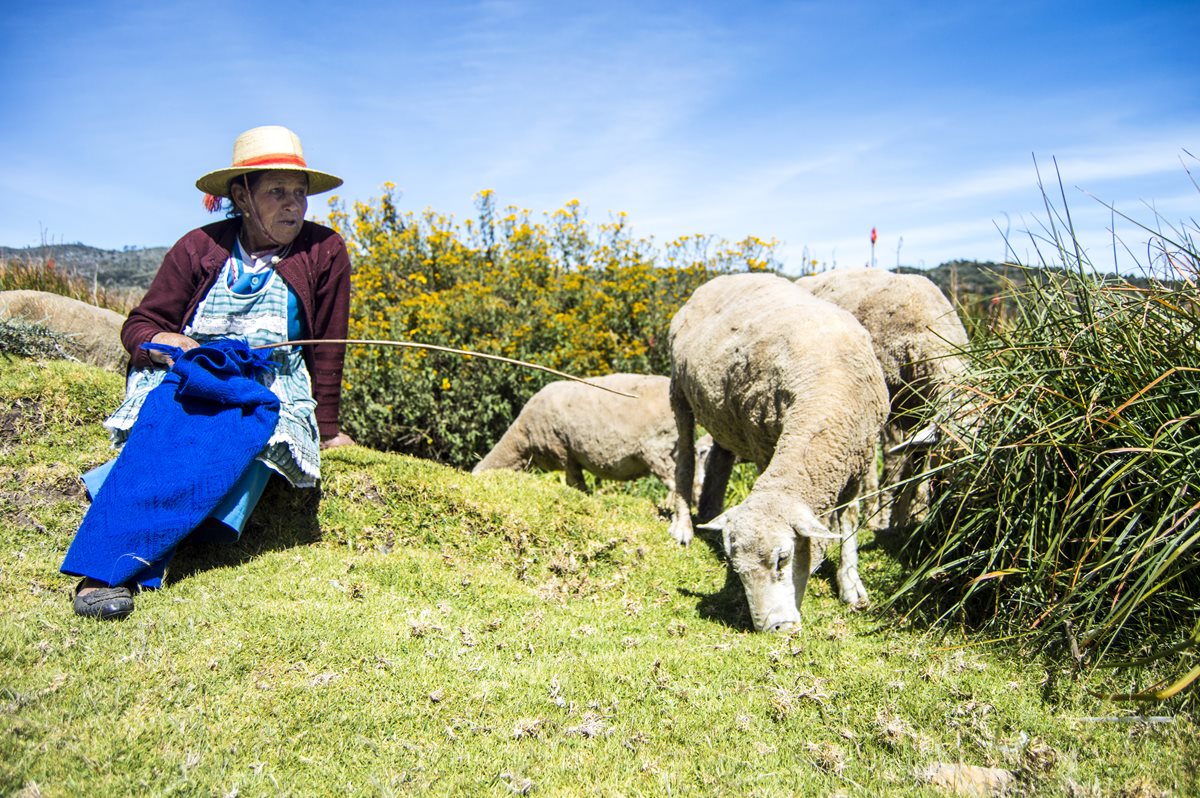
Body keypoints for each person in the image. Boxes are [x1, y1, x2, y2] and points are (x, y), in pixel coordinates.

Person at [62, 125, 355, 620]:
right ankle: (105, 571)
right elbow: (141, 324)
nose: (293, 205)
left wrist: (328, 431)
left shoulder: (324, 251)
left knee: (246, 431)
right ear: (241, 195)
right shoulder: (198, 247)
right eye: (277, 192)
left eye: (300, 194)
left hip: (270, 378)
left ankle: (137, 540)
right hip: (196, 369)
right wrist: (163, 343)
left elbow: (327, 348)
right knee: (173, 421)